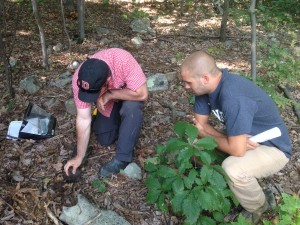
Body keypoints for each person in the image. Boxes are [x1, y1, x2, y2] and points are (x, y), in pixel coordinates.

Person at [180, 51, 292, 224]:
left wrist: (213, 136)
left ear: (205, 78)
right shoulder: (203, 90)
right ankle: (216, 190)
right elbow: (199, 127)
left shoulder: (233, 96)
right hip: (243, 139)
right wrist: (215, 137)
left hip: (272, 147)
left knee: (233, 168)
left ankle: (259, 207)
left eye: (188, 82)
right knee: (195, 143)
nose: (186, 87)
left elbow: (236, 150)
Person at [64, 48, 148, 178]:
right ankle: (121, 122)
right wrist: (79, 157)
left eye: (94, 93)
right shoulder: (80, 78)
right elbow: (83, 118)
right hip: (108, 101)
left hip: (130, 95)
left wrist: (110, 94)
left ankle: (123, 158)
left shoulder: (123, 59)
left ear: (108, 80)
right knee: (105, 139)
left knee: (131, 108)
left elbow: (142, 94)